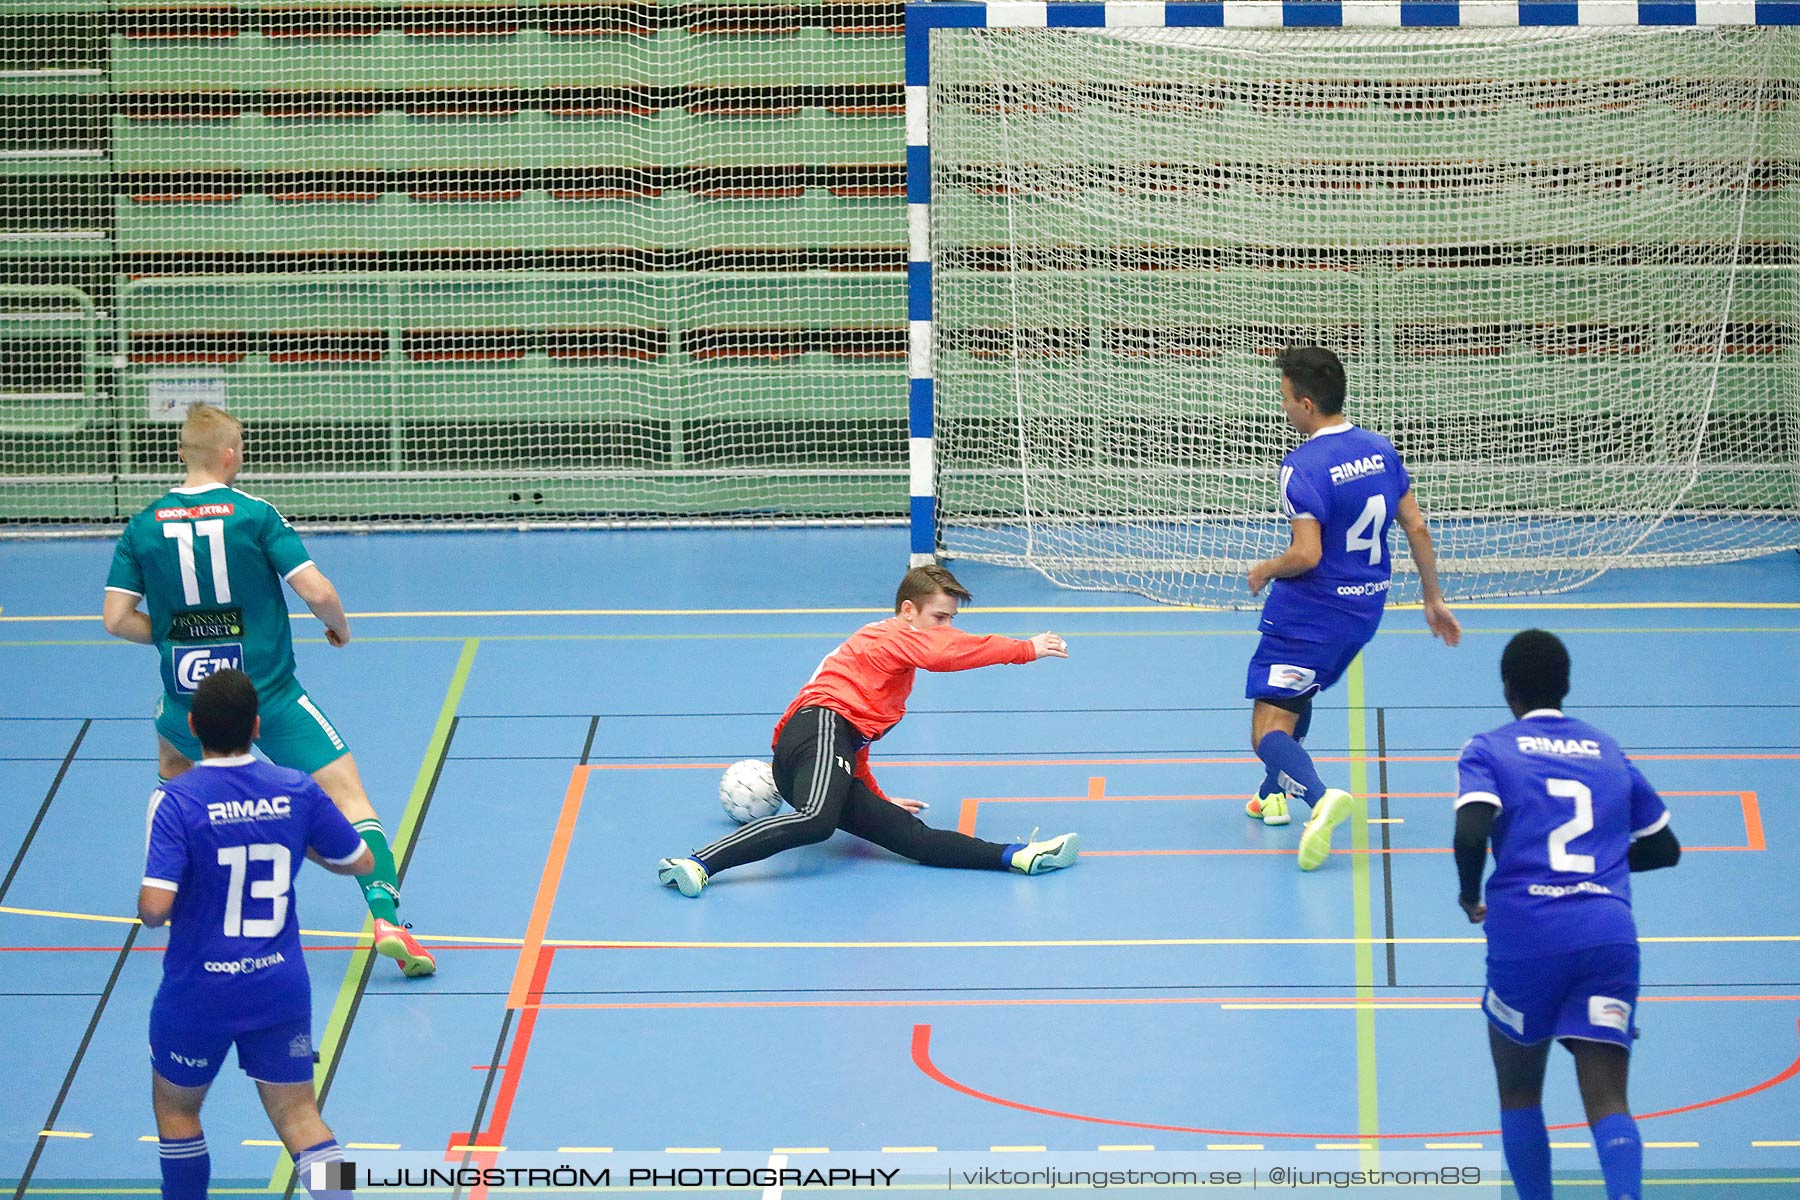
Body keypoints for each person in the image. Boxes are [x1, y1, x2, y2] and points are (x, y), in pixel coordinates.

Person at [103, 402, 435, 977]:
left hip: (188, 702)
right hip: (270, 697)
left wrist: (176, 636)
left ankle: (178, 887)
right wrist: (338, 626)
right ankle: (385, 917)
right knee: (349, 796)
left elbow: (115, 619)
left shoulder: (141, 525)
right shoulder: (253, 514)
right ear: (231, 457)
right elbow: (316, 588)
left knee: (173, 766)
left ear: (183, 453)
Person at [657, 564, 1079, 896]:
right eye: (939, 617)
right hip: (816, 728)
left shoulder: (895, 671)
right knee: (816, 821)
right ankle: (696, 863)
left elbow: (854, 747)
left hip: (825, 747)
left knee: (912, 837)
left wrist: (874, 797)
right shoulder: (887, 635)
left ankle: (1019, 856)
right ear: (908, 611)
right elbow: (942, 655)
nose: (946, 628)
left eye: (951, 619)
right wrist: (1024, 649)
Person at [1455, 629, 1681, 1200]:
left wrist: (1469, 892)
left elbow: (1470, 830)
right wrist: (1601, 869)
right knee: (1608, 1097)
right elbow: (1664, 847)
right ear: (1568, 686)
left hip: (1527, 935)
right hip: (1607, 937)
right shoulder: (1608, 750)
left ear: (1508, 691)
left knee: (1520, 1091)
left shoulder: (1489, 748)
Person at [139, 669, 372, 1200]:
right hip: (278, 984)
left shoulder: (176, 801)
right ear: (258, 725)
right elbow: (358, 859)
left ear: (193, 726)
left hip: (199, 989)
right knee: (301, 1117)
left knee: (177, 1111)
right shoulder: (295, 789)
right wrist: (295, 838)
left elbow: (155, 909)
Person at [1243, 345, 1461, 869]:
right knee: (1301, 689)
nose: (1284, 409)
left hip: (1308, 616)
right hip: (1363, 612)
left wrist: (1265, 569)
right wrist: (1433, 598)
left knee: (1266, 730)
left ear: (1308, 404)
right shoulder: (1381, 449)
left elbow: (1307, 554)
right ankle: (1273, 792)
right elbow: (1417, 526)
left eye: (1286, 399)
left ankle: (1320, 799)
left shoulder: (1301, 467)